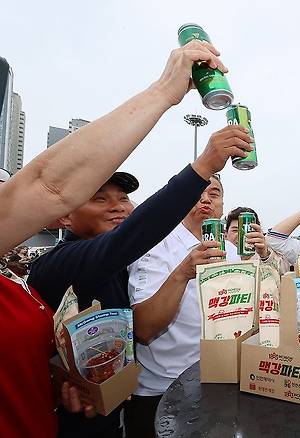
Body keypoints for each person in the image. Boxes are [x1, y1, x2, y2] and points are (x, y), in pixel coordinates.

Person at [0, 41, 227, 438]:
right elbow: (124, 241)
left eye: (123, 198)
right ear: (63, 214)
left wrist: (63, 381)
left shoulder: (110, 266)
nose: (117, 206)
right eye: (98, 197)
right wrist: (202, 167)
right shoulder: (59, 261)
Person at [124, 176, 240, 438]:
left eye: (215, 193)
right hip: (162, 391)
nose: (206, 198)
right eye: (197, 191)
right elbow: (143, 328)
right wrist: (182, 273)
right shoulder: (154, 245)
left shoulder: (231, 252)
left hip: (220, 383)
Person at [224, 207, 286, 273]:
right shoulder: (219, 256)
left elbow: (283, 274)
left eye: (247, 230)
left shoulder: (266, 254)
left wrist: (265, 255)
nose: (241, 235)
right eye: (235, 230)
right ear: (226, 234)